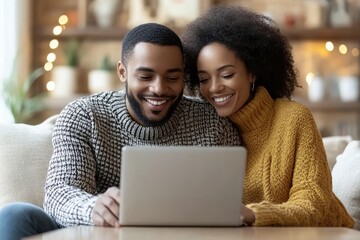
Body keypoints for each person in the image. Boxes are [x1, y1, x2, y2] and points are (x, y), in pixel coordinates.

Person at [0, 23, 241, 240]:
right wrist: (93, 208)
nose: (159, 89)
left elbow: (236, 200)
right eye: (145, 76)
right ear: (122, 72)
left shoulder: (212, 121)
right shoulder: (85, 115)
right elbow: (59, 194)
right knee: (15, 215)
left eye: (172, 77)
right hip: (96, 234)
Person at [181, 5, 354, 227]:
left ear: (252, 71)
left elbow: (313, 203)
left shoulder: (294, 118)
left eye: (227, 74)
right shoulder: (207, 127)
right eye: (204, 79)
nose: (214, 88)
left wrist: (255, 214)